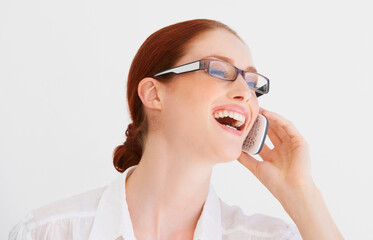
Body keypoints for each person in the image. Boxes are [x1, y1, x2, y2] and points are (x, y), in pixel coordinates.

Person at [9, 19, 344, 240]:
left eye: (253, 82)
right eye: (220, 70)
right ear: (154, 94)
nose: (245, 92)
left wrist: (300, 193)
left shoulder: (266, 237)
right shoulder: (48, 231)